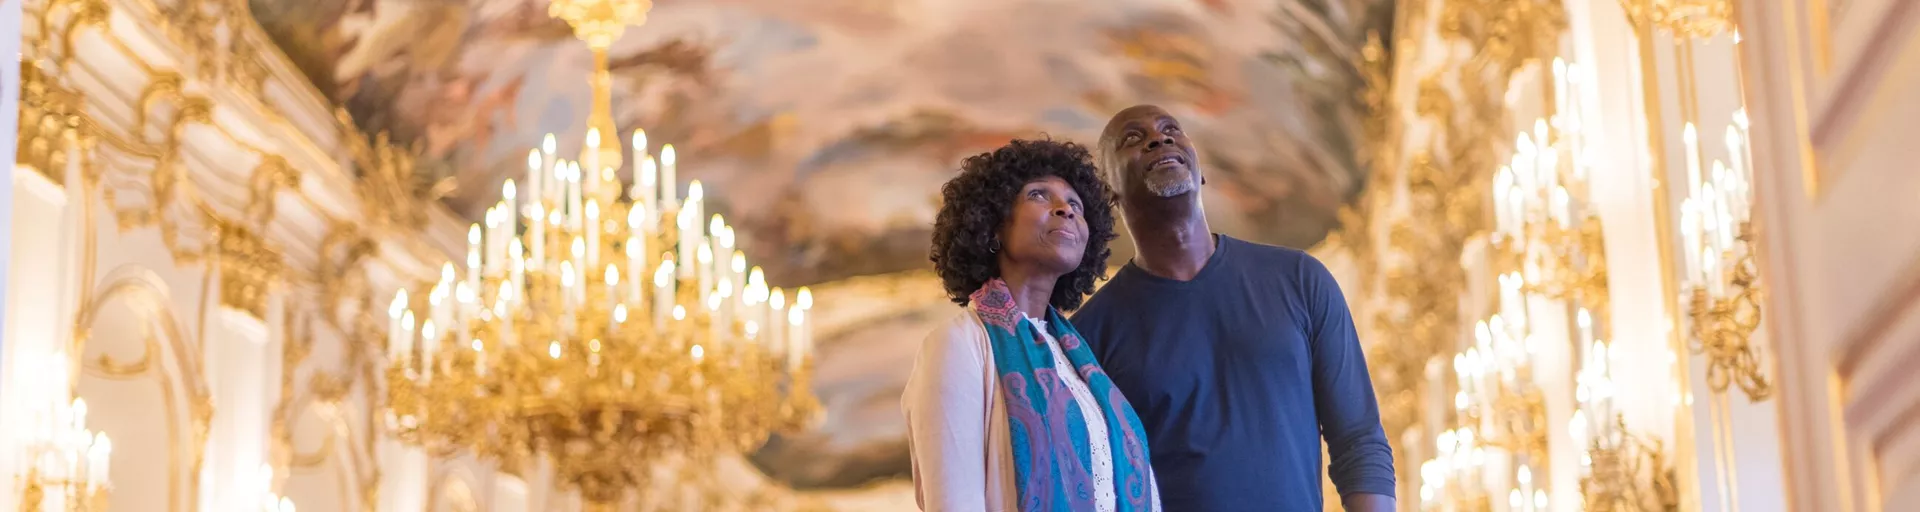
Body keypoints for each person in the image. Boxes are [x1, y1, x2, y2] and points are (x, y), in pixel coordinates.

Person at [1070, 105, 1397, 511]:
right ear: (1108, 194)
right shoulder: (1086, 336)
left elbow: (1359, 440)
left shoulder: (1300, 279)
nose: (1159, 138)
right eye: (1133, 139)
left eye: (1171, 129)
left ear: (1199, 169)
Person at [904, 138, 1161, 511]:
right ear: (992, 225)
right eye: (1039, 195)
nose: (1065, 210)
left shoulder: (1079, 359)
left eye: (1075, 203)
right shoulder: (958, 344)